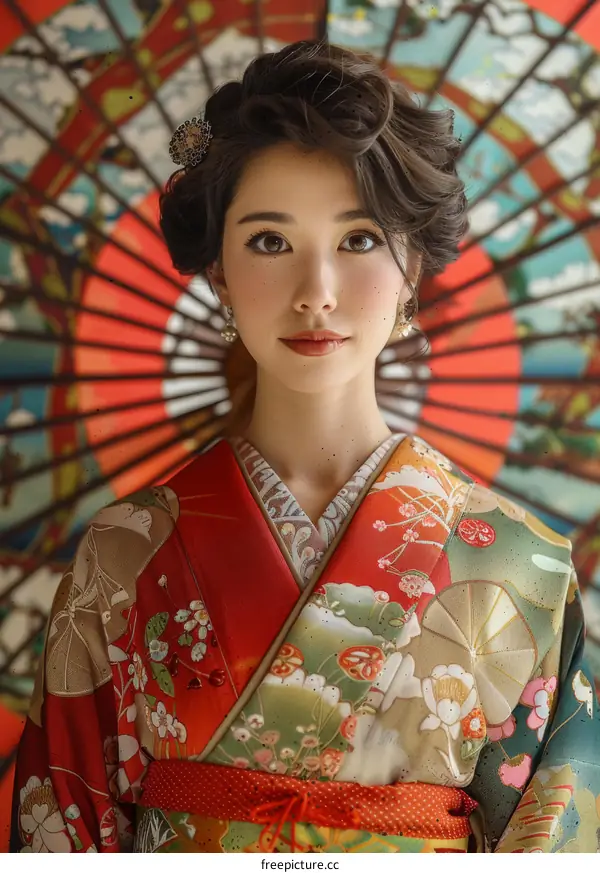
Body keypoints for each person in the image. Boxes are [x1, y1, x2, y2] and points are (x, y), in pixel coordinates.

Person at [10, 40, 600, 854]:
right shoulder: (122, 557)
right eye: (269, 241)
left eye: (359, 240)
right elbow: (62, 834)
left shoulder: (519, 565)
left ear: (412, 271)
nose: (316, 290)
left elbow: (559, 839)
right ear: (218, 274)